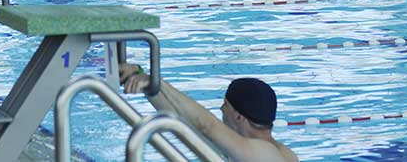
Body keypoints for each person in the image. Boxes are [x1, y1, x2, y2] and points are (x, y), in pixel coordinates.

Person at [119, 64, 298, 162]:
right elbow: (181, 119)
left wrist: (158, 81)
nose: (221, 109)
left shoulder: (266, 155)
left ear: (238, 116)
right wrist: (144, 80)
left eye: (225, 105)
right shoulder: (245, 146)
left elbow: (206, 125)